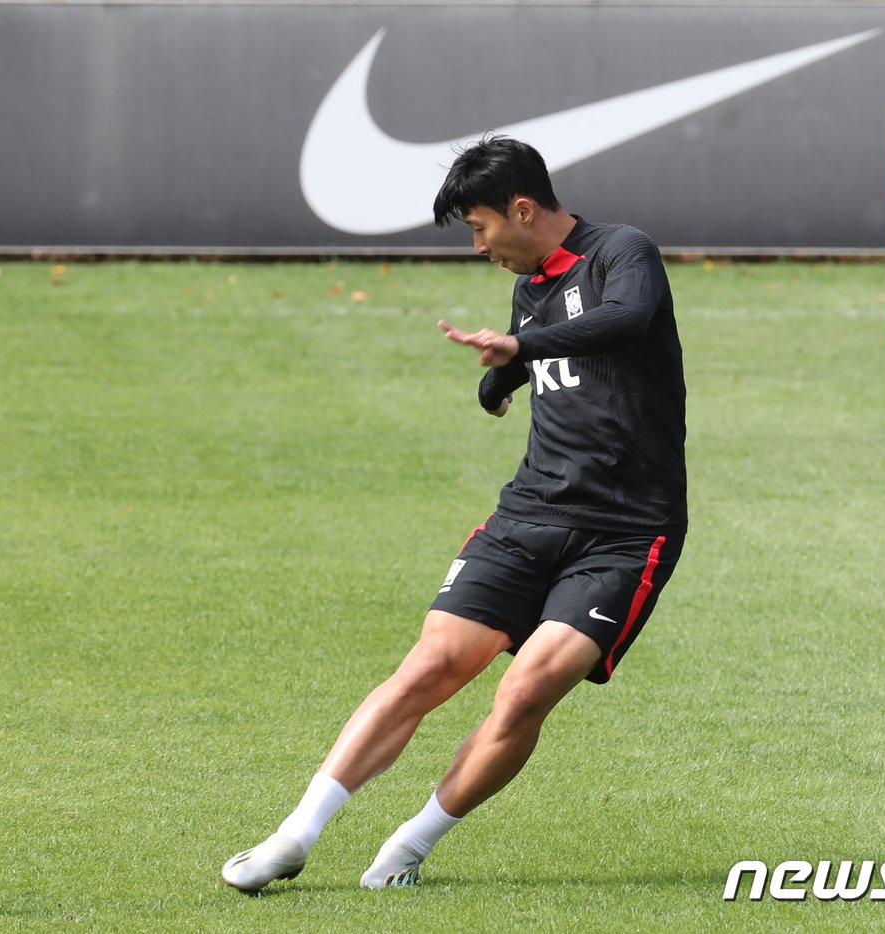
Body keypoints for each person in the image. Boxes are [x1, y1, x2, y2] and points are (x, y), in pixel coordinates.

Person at [221, 136, 687, 892]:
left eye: (479, 227)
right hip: (527, 513)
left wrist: (518, 347)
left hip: (627, 535)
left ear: (523, 209)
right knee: (428, 666)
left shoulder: (621, 252)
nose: (478, 247)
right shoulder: (529, 287)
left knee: (525, 693)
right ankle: (292, 836)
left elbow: (626, 319)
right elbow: (530, 360)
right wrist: (499, 381)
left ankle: (409, 845)